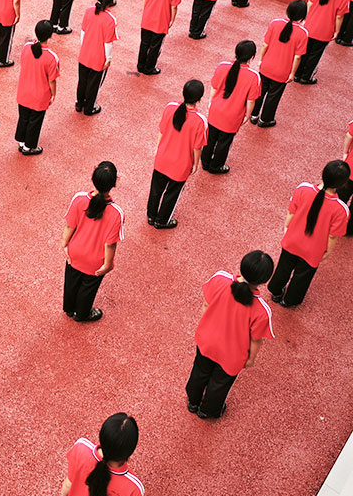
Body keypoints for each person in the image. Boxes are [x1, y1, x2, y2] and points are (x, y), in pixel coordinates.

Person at [185, 252, 275, 419]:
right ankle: (208, 410)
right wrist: (251, 359)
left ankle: (193, 401)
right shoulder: (262, 310)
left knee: (200, 369)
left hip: (207, 340)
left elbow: (206, 304)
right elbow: (256, 339)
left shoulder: (220, 279)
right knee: (220, 383)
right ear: (264, 280)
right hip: (232, 354)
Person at [268, 161, 350, 307]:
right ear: (342, 183)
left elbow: (291, 212)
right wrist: (327, 252)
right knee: (302, 277)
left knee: (284, 267)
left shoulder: (303, 189)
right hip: (313, 249)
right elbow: (332, 236)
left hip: (293, 240)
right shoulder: (341, 210)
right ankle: (290, 300)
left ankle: (276, 291)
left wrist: (287, 229)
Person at [61, 162, 123, 323]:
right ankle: (81, 314)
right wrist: (107, 264)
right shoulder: (117, 213)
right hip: (95, 260)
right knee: (88, 288)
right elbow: (110, 244)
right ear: (114, 183)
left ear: (93, 176)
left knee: (71, 281)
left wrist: (65, 244)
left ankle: (69, 308)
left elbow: (70, 225)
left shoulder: (79, 199)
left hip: (75, 251)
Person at [147, 79, 207, 230]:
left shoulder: (170, 108)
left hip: (162, 158)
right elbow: (197, 147)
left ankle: (151, 215)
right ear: (199, 99)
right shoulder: (200, 121)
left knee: (156, 189)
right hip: (180, 165)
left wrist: (158, 149)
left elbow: (162, 131)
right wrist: (195, 164)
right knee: (171, 194)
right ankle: (162, 221)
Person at [202, 41, 260, 174]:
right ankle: (216, 166)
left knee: (210, 138)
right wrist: (247, 115)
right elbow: (251, 101)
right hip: (233, 116)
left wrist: (211, 104)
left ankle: (205, 162)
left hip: (216, 109)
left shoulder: (222, 66)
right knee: (224, 143)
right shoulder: (253, 77)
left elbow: (214, 88)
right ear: (252, 57)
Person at [252, 0, 308, 126]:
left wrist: (261, 60)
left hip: (266, 66)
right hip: (282, 72)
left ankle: (253, 115)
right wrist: (292, 73)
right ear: (303, 16)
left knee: (260, 92)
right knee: (273, 97)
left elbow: (265, 44)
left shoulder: (275, 23)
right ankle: (265, 119)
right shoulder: (303, 33)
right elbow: (297, 57)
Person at [294, 0, 352, 85]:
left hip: (310, 25)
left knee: (305, 51)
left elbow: (309, 3)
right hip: (325, 30)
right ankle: (306, 76)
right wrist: (337, 31)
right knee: (315, 54)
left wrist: (306, 20)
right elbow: (339, 16)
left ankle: (297, 74)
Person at [15, 20, 60, 155]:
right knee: (35, 121)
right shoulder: (52, 57)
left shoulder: (26, 47)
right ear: (50, 35)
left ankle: (21, 141)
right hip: (39, 96)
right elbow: (52, 80)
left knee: (23, 117)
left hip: (24, 91)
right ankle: (29, 146)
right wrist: (53, 95)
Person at [77, 0, 117, 116]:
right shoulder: (110, 19)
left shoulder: (89, 11)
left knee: (82, 80)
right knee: (94, 84)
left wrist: (84, 48)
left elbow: (83, 32)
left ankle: (79, 103)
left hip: (85, 53)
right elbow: (108, 42)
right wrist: (108, 58)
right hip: (98, 57)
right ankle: (89, 108)